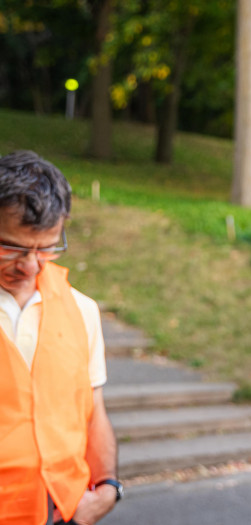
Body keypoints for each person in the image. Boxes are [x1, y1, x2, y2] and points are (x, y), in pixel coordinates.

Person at [0, 151, 121, 525]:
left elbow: (92, 408)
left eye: (47, 248)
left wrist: (108, 489)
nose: (31, 265)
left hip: (64, 512)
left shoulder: (82, 309)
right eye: (13, 247)